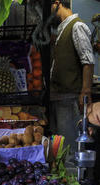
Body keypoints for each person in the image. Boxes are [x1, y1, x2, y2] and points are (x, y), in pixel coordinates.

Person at [49, 0, 95, 156]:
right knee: (61, 146)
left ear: (57, 3)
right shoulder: (63, 28)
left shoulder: (77, 26)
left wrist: (86, 91)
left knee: (70, 147)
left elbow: (88, 60)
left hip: (70, 96)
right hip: (60, 96)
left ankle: (75, 177)